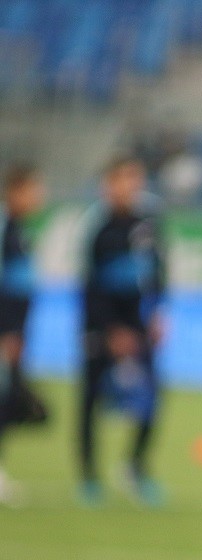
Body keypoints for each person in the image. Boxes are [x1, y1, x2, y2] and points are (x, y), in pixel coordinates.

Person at [78, 155, 166, 507]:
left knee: (152, 398)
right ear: (108, 185)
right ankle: (89, 478)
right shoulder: (98, 228)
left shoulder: (149, 224)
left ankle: (135, 468)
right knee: (91, 400)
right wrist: (109, 330)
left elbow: (159, 271)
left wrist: (159, 312)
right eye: (122, 179)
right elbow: (90, 286)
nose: (129, 186)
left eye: (134, 179)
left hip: (140, 323)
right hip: (103, 327)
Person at [0, 162, 47, 507]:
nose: (38, 197)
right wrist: (7, 332)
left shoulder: (21, 231)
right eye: (32, 190)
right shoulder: (6, 229)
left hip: (14, 333)